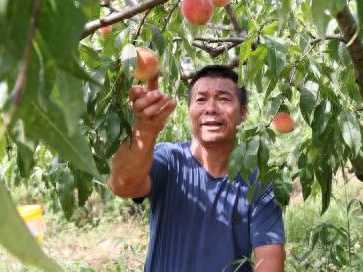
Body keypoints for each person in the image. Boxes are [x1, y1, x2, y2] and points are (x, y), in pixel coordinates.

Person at [109, 65, 285, 271]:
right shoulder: (170, 161)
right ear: (190, 110)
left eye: (224, 99)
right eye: (201, 99)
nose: (211, 108)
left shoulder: (257, 181)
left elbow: (270, 261)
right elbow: (122, 185)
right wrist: (144, 130)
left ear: (243, 112)